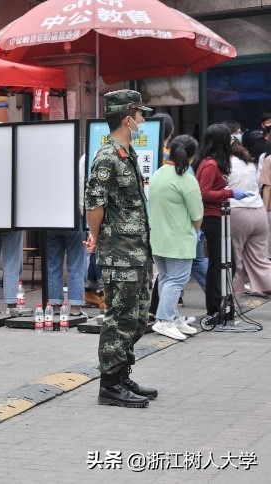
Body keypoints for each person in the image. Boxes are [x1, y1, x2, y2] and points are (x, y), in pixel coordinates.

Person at [85, 89, 157, 409]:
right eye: (140, 115)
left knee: (138, 317)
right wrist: (96, 237)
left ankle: (122, 372)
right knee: (119, 317)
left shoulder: (126, 155)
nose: (143, 120)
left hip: (138, 250)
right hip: (120, 252)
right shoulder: (107, 157)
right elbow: (94, 203)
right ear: (127, 118)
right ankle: (110, 384)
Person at [194, 124, 251, 323]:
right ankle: (215, 308)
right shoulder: (209, 164)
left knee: (225, 264)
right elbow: (203, 193)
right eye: (229, 138)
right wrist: (230, 193)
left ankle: (222, 306)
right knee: (220, 265)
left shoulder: (214, 162)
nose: (232, 142)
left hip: (220, 217)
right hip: (212, 218)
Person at [149, 135, 204, 341]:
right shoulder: (186, 179)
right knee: (177, 279)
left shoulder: (159, 173)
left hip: (158, 237)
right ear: (192, 156)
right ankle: (164, 320)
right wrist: (195, 232)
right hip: (179, 239)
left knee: (164, 277)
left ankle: (171, 316)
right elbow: (197, 215)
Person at [225, 123, 271, 299]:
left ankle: (232, 300)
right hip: (258, 211)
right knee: (260, 260)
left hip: (238, 212)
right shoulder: (249, 162)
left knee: (235, 260)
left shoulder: (225, 164)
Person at [47, 153, 86, 316]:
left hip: (50, 218)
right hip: (74, 216)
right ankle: (75, 308)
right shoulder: (77, 165)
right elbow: (82, 193)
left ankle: (55, 305)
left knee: (53, 263)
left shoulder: (47, 170)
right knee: (76, 264)